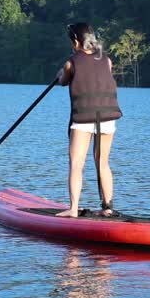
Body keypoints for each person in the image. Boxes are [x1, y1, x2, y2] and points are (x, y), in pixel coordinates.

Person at [56, 22, 122, 217]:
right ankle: (108, 208)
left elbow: (63, 80)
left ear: (76, 41)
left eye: (71, 41)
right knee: (102, 162)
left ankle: (73, 209)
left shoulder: (71, 62)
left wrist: (60, 74)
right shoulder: (107, 60)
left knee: (76, 163)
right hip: (107, 118)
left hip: (84, 118)